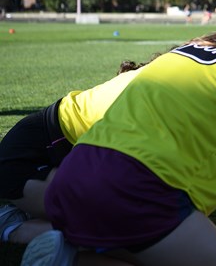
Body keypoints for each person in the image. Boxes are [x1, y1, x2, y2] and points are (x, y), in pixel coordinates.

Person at [20, 1, 216, 266]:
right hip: (134, 189)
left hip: (74, 173)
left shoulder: (205, 43)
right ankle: (72, 255)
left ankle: (69, 253)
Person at [0, 59, 153, 245]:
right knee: (123, 221)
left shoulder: (158, 83)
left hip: (55, 154)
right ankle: (13, 227)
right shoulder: (150, 92)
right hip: (25, 159)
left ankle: (35, 210)